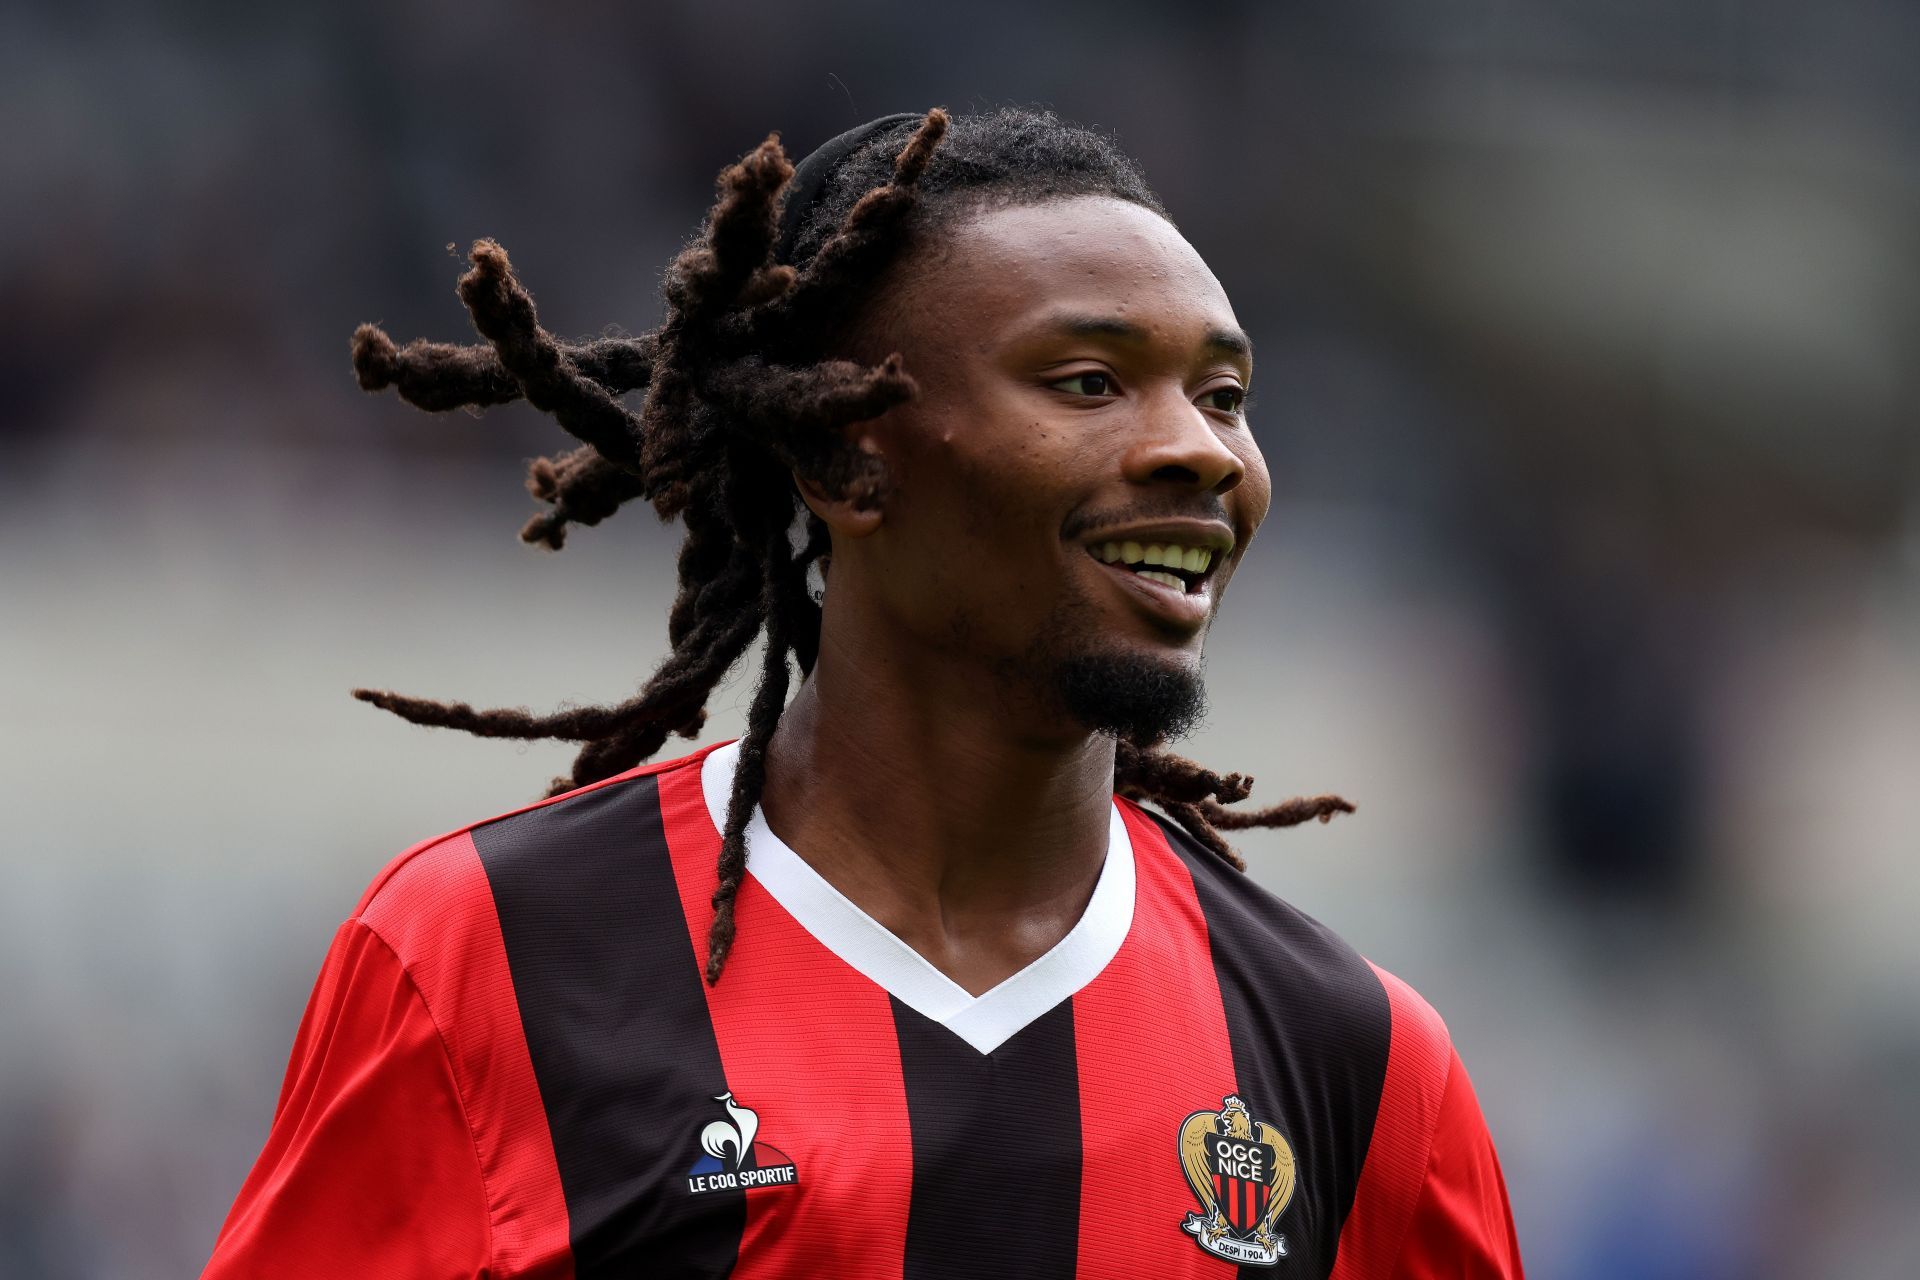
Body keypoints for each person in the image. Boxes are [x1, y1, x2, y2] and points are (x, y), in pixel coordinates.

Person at [204, 106, 1525, 1279]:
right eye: (1090, 381)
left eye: (1224, 394)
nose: (1196, 448)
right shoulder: (492, 956)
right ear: (845, 457)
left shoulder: (1354, 1060)